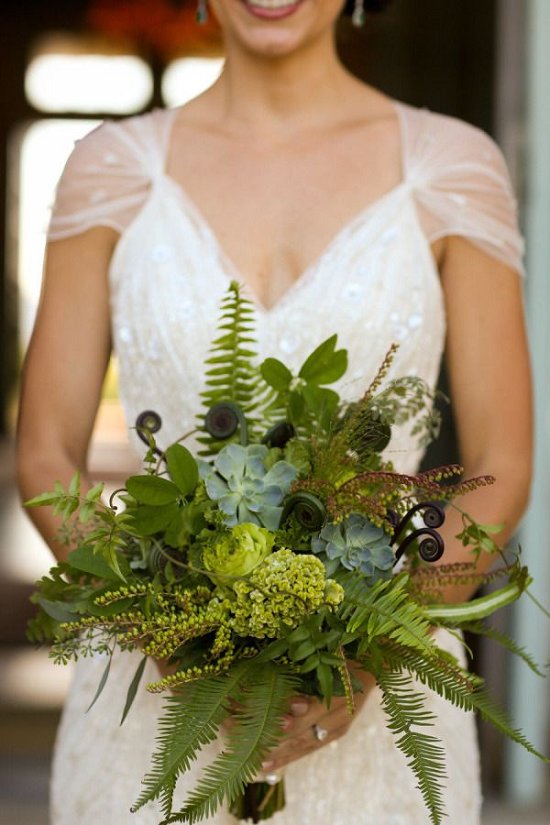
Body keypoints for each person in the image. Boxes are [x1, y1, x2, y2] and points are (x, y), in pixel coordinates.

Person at [16, 0, 533, 823]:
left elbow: (502, 462)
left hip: (386, 728)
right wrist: (179, 629)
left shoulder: (450, 167)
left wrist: (369, 650)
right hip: (155, 721)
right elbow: (44, 454)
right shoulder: (111, 168)